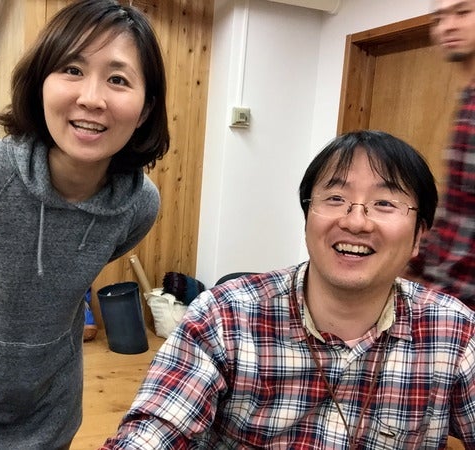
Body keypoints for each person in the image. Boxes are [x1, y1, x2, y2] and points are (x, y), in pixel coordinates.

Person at [0, 0, 169, 448]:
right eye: (72, 69)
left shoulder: (138, 205)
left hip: (52, 399)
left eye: (118, 79)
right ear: (41, 82)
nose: (92, 98)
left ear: (144, 109)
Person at [102, 131, 475, 449]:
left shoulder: (454, 333)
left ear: (419, 236)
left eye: (384, 203)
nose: (356, 221)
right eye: (335, 198)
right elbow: (155, 431)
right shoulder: (223, 316)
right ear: (307, 217)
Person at [404, 0, 475, 309]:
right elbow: (459, 211)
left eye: (463, 12)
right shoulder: (469, 99)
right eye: (439, 18)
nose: (447, 27)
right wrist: (412, 264)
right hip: (444, 298)